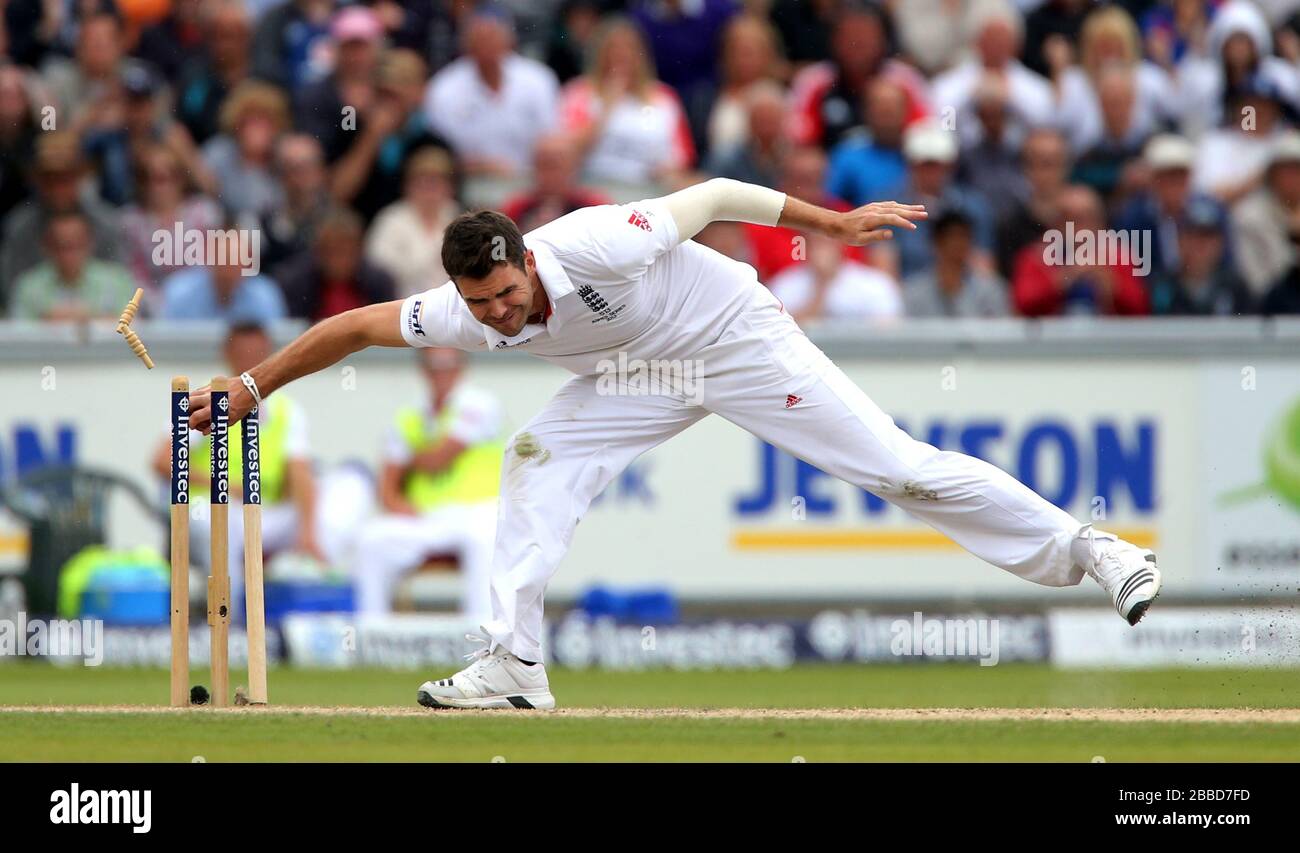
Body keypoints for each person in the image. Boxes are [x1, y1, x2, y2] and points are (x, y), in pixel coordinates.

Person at [185, 177, 1162, 710]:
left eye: (506, 295)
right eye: (482, 307)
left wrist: (831, 225)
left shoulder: (602, 238)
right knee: (533, 456)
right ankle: (514, 665)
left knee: (896, 467)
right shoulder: (464, 313)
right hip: (634, 377)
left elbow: (720, 193)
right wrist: (249, 388)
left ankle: (1095, 550)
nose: (499, 317)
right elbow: (355, 325)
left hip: (732, 338)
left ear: (528, 258)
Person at [152, 322, 324, 614]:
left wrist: (309, 531)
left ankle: (316, 617)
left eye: (258, 353)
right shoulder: (209, 399)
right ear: (227, 354)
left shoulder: (287, 411)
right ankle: (229, 617)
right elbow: (162, 459)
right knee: (225, 525)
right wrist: (221, 485)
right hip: (208, 507)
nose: (250, 361)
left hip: (263, 511)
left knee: (332, 505)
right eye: (243, 352)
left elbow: (300, 474)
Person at [352, 346, 504, 619]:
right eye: (434, 365)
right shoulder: (410, 415)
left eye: (448, 364)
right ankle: (371, 631)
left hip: (478, 511)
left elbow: (441, 457)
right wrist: (398, 503)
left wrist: (406, 461)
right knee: (371, 538)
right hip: (428, 517)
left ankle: (481, 632)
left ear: (461, 367)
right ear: (423, 369)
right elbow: (387, 488)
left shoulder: (479, 402)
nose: (440, 373)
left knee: (482, 537)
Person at [9, 211, 135, 321]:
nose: (68, 254)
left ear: (90, 243)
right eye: (60, 246)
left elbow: (134, 329)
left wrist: (82, 318)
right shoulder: (28, 286)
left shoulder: (117, 281)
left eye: (76, 245)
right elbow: (18, 336)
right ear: (46, 247)